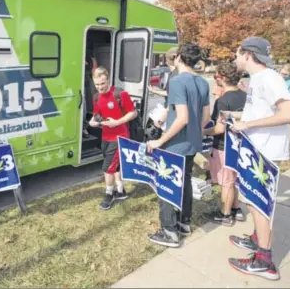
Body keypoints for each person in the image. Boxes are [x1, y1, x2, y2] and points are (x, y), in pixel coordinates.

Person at [221, 37, 290, 280]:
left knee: (258, 204)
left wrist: (248, 124)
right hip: (256, 149)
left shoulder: (268, 78)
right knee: (254, 201)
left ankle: (265, 261)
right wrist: (235, 116)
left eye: (237, 52)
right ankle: (257, 239)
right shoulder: (256, 79)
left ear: (248, 54)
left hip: (264, 153)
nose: (234, 56)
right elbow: (260, 112)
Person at [145, 43, 211, 247]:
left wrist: (160, 141)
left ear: (179, 57)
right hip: (192, 143)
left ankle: (169, 232)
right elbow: (206, 116)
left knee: (167, 185)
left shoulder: (177, 82)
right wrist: (195, 132)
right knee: (186, 181)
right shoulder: (203, 82)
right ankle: (184, 223)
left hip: (176, 145)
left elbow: (181, 118)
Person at [203, 60, 246, 226]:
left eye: (215, 76)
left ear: (223, 79)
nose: (215, 80)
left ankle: (225, 214)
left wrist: (203, 132)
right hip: (241, 145)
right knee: (234, 180)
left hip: (224, 147)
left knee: (226, 183)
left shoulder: (223, 101)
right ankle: (237, 209)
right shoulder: (245, 96)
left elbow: (219, 129)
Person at [89, 66, 137, 210]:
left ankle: (109, 194)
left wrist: (117, 122)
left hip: (119, 136)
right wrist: (93, 121)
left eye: (102, 83)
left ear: (108, 79)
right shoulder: (96, 97)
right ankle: (121, 191)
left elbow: (133, 113)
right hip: (105, 136)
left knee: (108, 168)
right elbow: (97, 113)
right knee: (115, 166)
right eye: (97, 84)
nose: (100, 87)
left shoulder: (120, 94)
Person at [148, 46, 179, 128]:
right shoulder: (175, 74)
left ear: (167, 60)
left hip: (172, 113)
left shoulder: (174, 76)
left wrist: (161, 120)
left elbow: (170, 96)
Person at [82, 49, 98, 138]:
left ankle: (84, 127)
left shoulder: (90, 58)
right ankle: (83, 127)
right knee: (83, 103)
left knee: (86, 102)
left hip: (86, 78)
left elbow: (94, 69)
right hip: (78, 80)